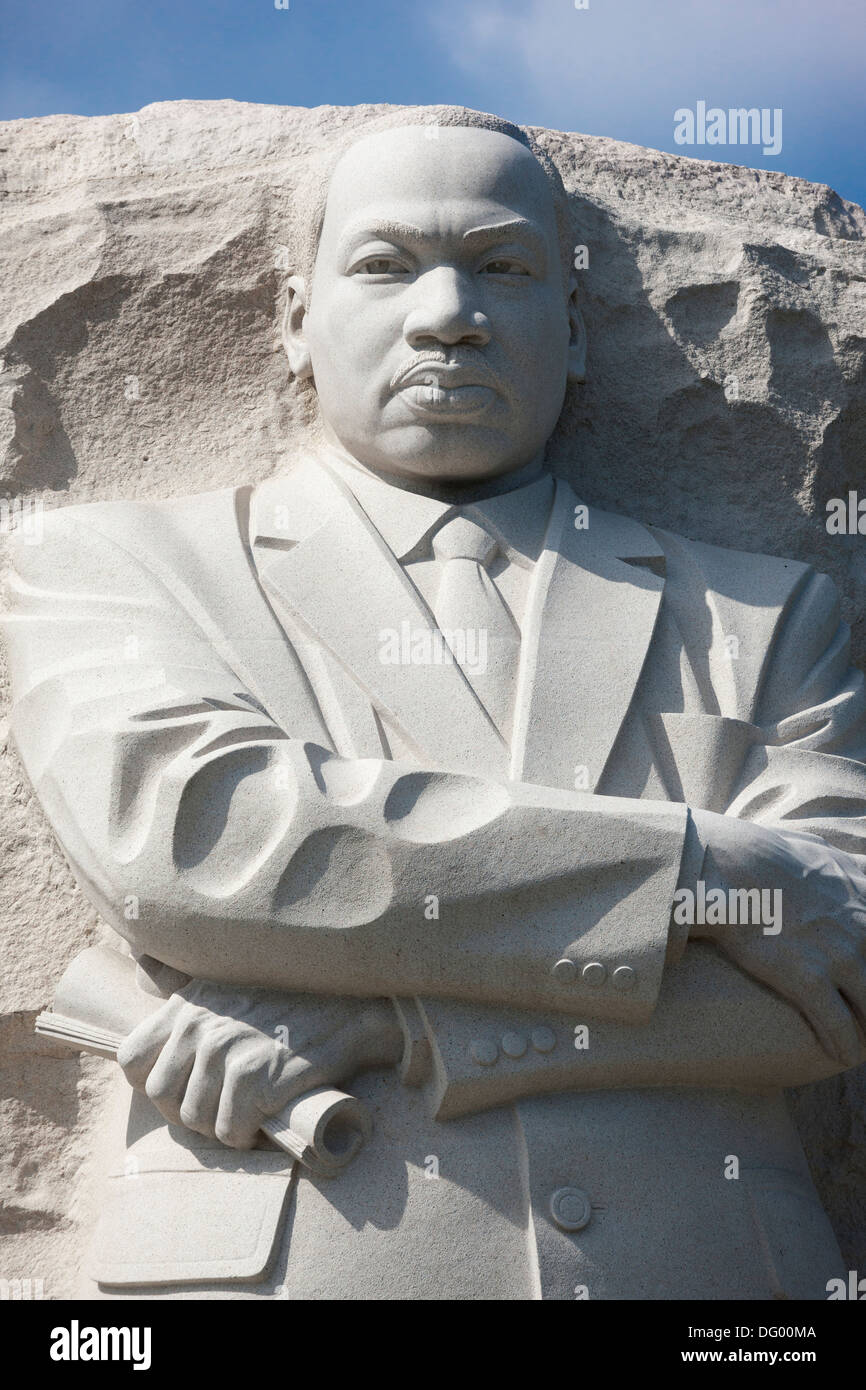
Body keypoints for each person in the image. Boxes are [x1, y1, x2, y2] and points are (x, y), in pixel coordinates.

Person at [4, 108, 866, 1299]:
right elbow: (202, 840)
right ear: (294, 320)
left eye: (503, 267)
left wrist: (407, 1025)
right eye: (384, 264)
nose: (447, 314)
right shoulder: (121, 565)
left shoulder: (764, 616)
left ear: (571, 333)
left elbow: (835, 969)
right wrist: (691, 868)